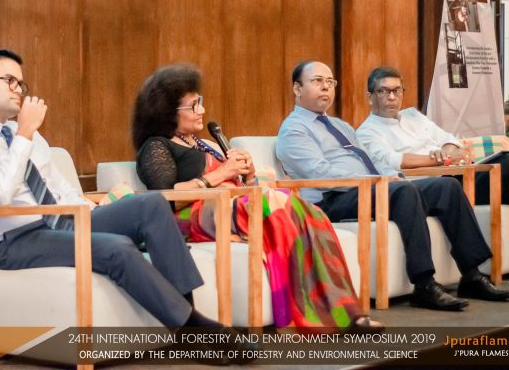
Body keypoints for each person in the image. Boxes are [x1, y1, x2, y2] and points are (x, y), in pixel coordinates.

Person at [0, 49, 225, 330]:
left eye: (21, 84)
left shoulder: (25, 134)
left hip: (66, 220)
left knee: (151, 204)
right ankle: (198, 331)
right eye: (10, 81)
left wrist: (90, 209)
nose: (19, 90)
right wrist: (24, 134)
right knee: (117, 247)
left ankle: (187, 319)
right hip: (16, 240)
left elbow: (56, 185)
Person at [131, 63, 381, 330]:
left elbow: (243, 187)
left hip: (237, 206)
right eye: (193, 106)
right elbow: (163, 198)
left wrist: (248, 176)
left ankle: (344, 310)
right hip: (191, 216)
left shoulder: (207, 144)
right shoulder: (156, 146)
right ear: (168, 111)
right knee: (274, 203)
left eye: (200, 102)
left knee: (312, 212)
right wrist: (220, 174)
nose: (202, 110)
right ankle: (302, 317)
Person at [276, 60, 509, 311]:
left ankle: (472, 275)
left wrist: (392, 175)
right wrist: (378, 181)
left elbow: (370, 161)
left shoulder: (341, 126)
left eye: (330, 82)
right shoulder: (294, 130)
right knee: (404, 191)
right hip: (332, 199)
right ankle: (424, 284)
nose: (326, 87)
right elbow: (320, 173)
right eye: (317, 81)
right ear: (297, 88)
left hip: (368, 189)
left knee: (447, 188)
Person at [356, 66, 509, 279]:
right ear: (370, 96)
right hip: (437, 188)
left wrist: (448, 150)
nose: (392, 97)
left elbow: (449, 140)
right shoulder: (367, 132)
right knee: (507, 163)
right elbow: (396, 160)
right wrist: (442, 159)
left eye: (397, 90)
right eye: (383, 91)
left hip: (462, 175)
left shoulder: (413, 116)